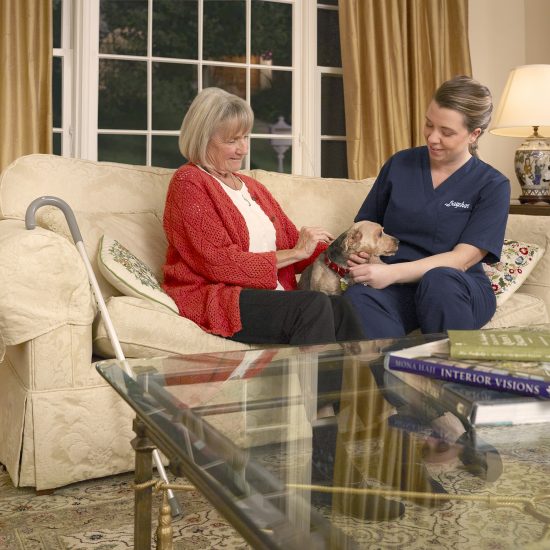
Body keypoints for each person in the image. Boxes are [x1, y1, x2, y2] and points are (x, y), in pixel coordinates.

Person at [162, 87, 365, 346]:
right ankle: (316, 388)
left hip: (268, 296)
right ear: (203, 139)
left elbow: (296, 243)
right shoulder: (189, 181)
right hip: (220, 296)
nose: (243, 149)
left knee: (342, 308)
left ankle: (366, 385)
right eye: (232, 140)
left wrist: (345, 254)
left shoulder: (251, 187)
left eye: (245, 137)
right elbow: (219, 263)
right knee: (312, 306)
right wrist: (296, 253)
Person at [345, 75, 511, 338]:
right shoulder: (400, 164)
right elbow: (366, 224)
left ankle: (453, 378)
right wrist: (361, 255)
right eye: (428, 124)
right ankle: (398, 377)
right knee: (358, 297)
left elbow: (461, 259)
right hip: (398, 286)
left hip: (457, 286)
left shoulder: (492, 185)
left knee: (439, 279)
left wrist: (392, 273)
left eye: (446, 132)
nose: (432, 137)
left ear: (474, 134)